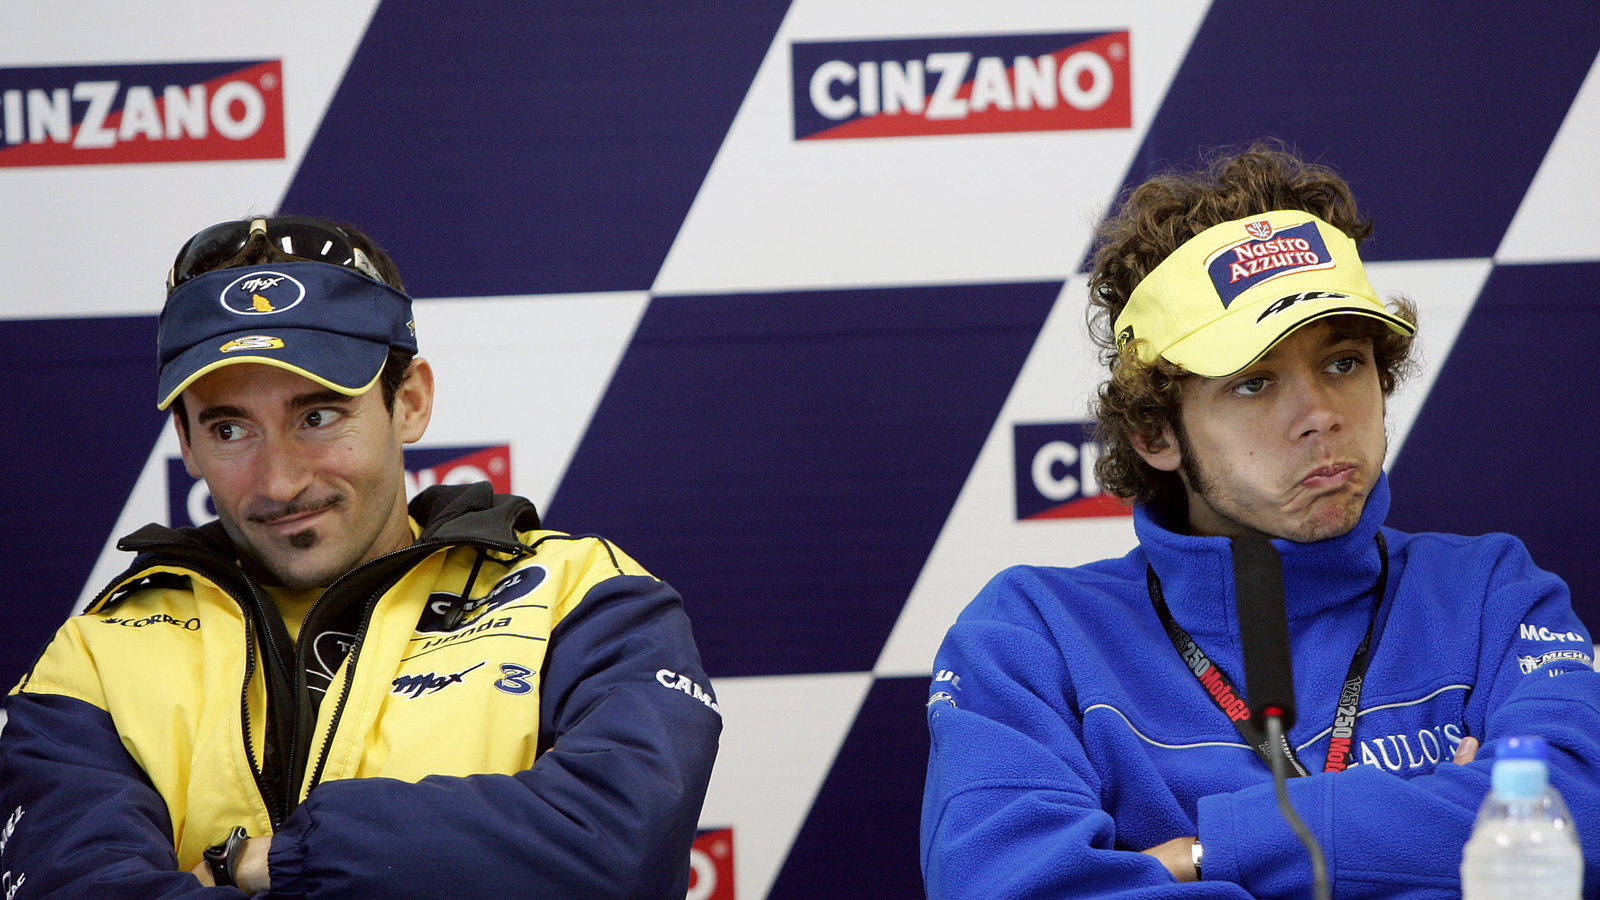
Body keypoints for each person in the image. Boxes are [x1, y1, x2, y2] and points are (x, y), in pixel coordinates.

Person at [920, 145, 1600, 898]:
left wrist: (1206, 852)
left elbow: (1580, 819)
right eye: (1254, 382)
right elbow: (1014, 887)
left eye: (1343, 363)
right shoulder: (1032, 635)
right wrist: (1437, 831)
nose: (1320, 415)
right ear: (1154, 433)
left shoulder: (1490, 593)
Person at [0, 216, 722, 898]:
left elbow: (616, 849)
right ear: (185, 443)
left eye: (317, 416)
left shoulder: (580, 595)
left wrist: (274, 861)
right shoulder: (94, 659)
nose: (280, 482)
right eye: (229, 430)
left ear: (410, 402)